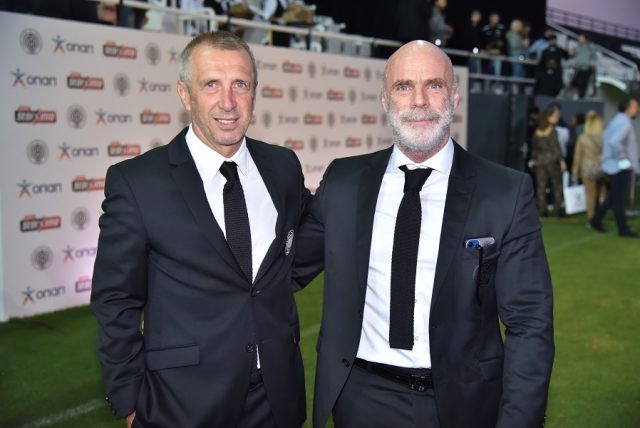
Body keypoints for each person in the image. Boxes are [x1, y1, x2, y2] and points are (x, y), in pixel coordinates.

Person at [294, 40, 554, 428]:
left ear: (454, 96)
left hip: (463, 404)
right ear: (385, 100)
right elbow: (283, 271)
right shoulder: (344, 181)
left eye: (433, 85)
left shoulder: (505, 192)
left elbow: (530, 323)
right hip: (359, 399)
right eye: (403, 87)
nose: (419, 101)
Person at [91, 31, 308, 428]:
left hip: (277, 400)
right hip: (182, 404)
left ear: (254, 92)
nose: (228, 102)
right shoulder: (138, 182)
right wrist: (129, 401)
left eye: (240, 84)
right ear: (185, 94)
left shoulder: (283, 167)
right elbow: (115, 300)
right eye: (211, 85)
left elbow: (299, 250)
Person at [589, 96, 640, 237]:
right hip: (619, 167)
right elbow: (614, 142)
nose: (638, 110)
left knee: (612, 197)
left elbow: (607, 138)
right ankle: (623, 229)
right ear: (629, 107)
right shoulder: (625, 124)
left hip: (612, 165)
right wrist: (624, 159)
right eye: (636, 107)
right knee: (618, 200)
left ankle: (595, 220)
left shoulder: (615, 121)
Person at [532, 105, 566, 217]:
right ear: (549, 117)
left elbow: (534, 148)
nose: (557, 118)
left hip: (540, 162)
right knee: (557, 186)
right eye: (555, 116)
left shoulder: (538, 131)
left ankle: (542, 209)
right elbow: (556, 148)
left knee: (541, 187)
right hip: (552, 162)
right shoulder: (553, 131)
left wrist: (536, 159)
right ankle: (558, 209)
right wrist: (561, 161)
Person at [572, 110, 606, 223]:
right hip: (601, 168)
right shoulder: (604, 138)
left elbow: (577, 156)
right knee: (601, 194)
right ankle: (600, 216)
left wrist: (575, 172)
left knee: (590, 195)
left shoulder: (582, 138)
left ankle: (591, 218)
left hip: (587, 169)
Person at [569, 33, 597, 99]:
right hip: (578, 69)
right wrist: (571, 52)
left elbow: (594, 58)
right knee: (573, 84)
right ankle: (571, 96)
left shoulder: (590, 47)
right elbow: (572, 55)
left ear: (585, 39)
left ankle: (581, 98)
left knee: (583, 86)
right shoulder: (577, 47)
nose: (579, 39)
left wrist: (591, 63)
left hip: (586, 69)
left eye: (581, 37)